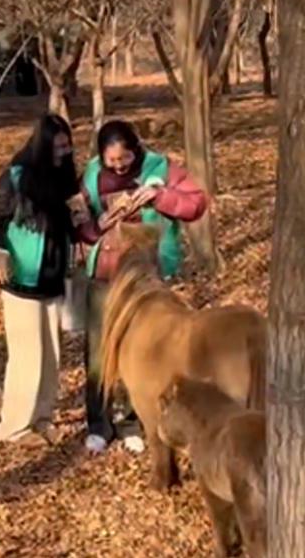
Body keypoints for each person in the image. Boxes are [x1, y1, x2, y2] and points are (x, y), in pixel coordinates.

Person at [76, 119, 207, 454]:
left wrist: (160, 197)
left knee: (142, 350)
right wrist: (96, 227)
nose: (119, 166)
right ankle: (99, 424)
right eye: (112, 162)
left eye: (125, 159)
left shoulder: (161, 168)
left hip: (148, 274)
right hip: (105, 274)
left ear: (136, 149)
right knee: (98, 350)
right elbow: (79, 224)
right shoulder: (91, 175)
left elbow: (196, 203)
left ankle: (133, 421)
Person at [0, 114, 80, 444]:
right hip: (21, 279)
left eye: (67, 144)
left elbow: (72, 225)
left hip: (53, 277)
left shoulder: (66, 179)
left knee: (51, 355)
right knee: (27, 353)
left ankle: (42, 418)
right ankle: (15, 426)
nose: (64, 151)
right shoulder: (16, 177)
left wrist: (80, 218)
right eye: (58, 145)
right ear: (42, 145)